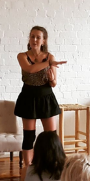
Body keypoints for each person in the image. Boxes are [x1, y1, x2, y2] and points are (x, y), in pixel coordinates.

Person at [15, 26, 65, 167]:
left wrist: (51, 78)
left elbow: (54, 83)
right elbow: (30, 69)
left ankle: (53, 165)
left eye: (38, 37)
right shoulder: (22, 56)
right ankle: (28, 168)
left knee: (51, 137)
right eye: (32, 36)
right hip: (28, 98)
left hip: (46, 97)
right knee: (29, 136)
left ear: (43, 41)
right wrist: (48, 64)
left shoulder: (50, 57)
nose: (34, 39)